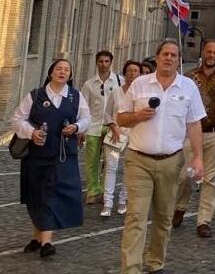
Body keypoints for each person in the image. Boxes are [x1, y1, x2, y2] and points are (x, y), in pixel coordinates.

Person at [110, 40, 205, 274]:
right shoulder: (139, 84)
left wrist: (198, 158)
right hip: (138, 159)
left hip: (171, 161)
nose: (169, 58)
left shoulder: (188, 87)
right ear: (157, 57)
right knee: (135, 217)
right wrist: (137, 116)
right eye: (165, 54)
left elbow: (194, 125)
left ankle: (156, 264)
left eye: (174, 55)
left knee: (164, 217)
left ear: (179, 60)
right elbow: (121, 118)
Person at [12, 58, 91, 257]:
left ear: (70, 75)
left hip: (63, 157)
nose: (62, 72)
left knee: (53, 196)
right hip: (36, 157)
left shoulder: (76, 96)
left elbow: (86, 118)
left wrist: (76, 127)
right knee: (35, 196)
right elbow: (17, 119)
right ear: (51, 73)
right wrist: (32, 133)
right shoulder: (35, 95)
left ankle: (47, 242)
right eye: (59, 69)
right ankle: (37, 237)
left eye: (67, 69)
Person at [172, 40, 215, 237]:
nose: (211, 55)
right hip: (191, 134)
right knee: (184, 175)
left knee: (211, 179)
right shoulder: (189, 77)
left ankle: (204, 220)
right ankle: (180, 207)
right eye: (208, 51)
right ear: (203, 53)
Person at [101, 59, 142, 217]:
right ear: (125, 73)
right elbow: (107, 112)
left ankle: (123, 200)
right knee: (111, 169)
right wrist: (113, 127)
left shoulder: (141, 94)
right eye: (130, 71)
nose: (132, 74)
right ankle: (107, 203)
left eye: (136, 71)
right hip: (115, 135)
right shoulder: (116, 91)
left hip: (134, 136)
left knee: (128, 170)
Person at [80, 50, 122, 204]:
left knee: (110, 162)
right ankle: (92, 190)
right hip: (93, 126)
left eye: (106, 61)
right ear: (96, 63)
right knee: (92, 161)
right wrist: (82, 130)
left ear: (111, 63)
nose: (103, 64)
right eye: (101, 61)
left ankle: (106, 191)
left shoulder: (119, 81)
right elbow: (83, 108)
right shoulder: (89, 84)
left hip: (113, 127)